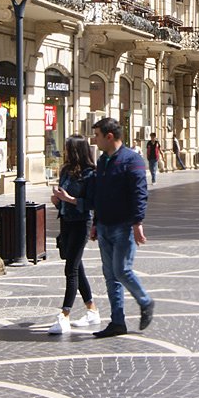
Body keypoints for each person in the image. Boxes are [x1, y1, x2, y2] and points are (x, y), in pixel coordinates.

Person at [90, 117, 154, 338]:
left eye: (97, 135)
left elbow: (140, 193)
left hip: (124, 226)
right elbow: (100, 193)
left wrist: (138, 223)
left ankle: (146, 302)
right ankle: (117, 322)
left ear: (109, 136)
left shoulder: (132, 160)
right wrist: (95, 222)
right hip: (105, 225)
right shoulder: (102, 161)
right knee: (110, 276)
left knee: (121, 270)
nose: (94, 139)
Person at [48, 135, 102, 334]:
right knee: (77, 266)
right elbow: (62, 199)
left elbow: (91, 204)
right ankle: (92, 309)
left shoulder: (90, 174)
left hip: (81, 223)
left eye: (68, 148)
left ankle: (64, 315)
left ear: (77, 150)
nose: (65, 152)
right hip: (66, 222)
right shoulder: (65, 170)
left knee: (70, 268)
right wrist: (57, 201)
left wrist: (69, 199)